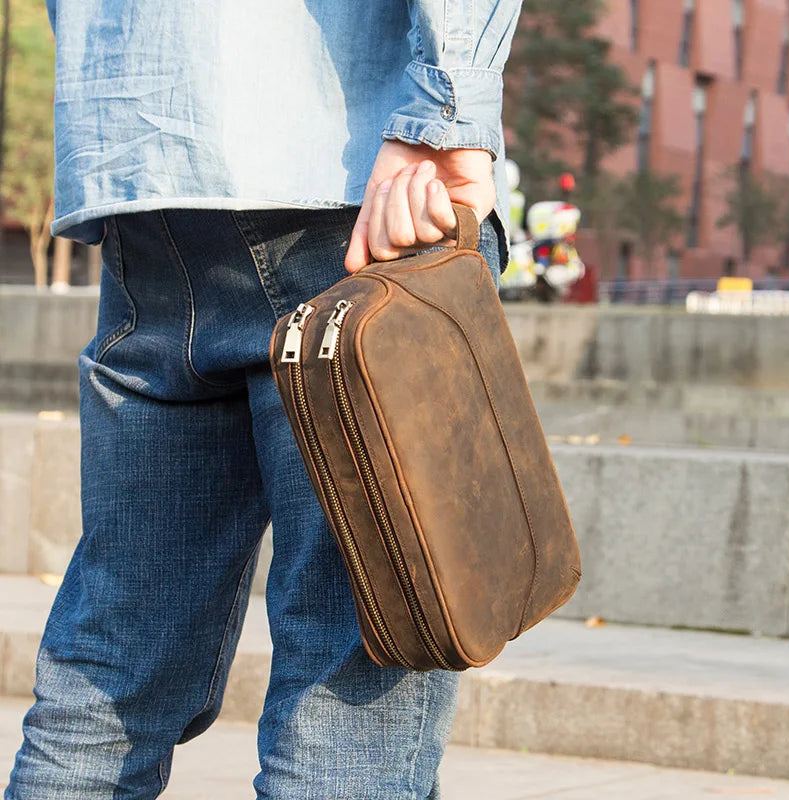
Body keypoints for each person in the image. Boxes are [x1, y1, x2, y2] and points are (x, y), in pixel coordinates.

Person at [6, 1, 522, 797]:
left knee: (109, 674)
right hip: (355, 186)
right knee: (355, 682)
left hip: (148, 183)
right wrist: (441, 112)